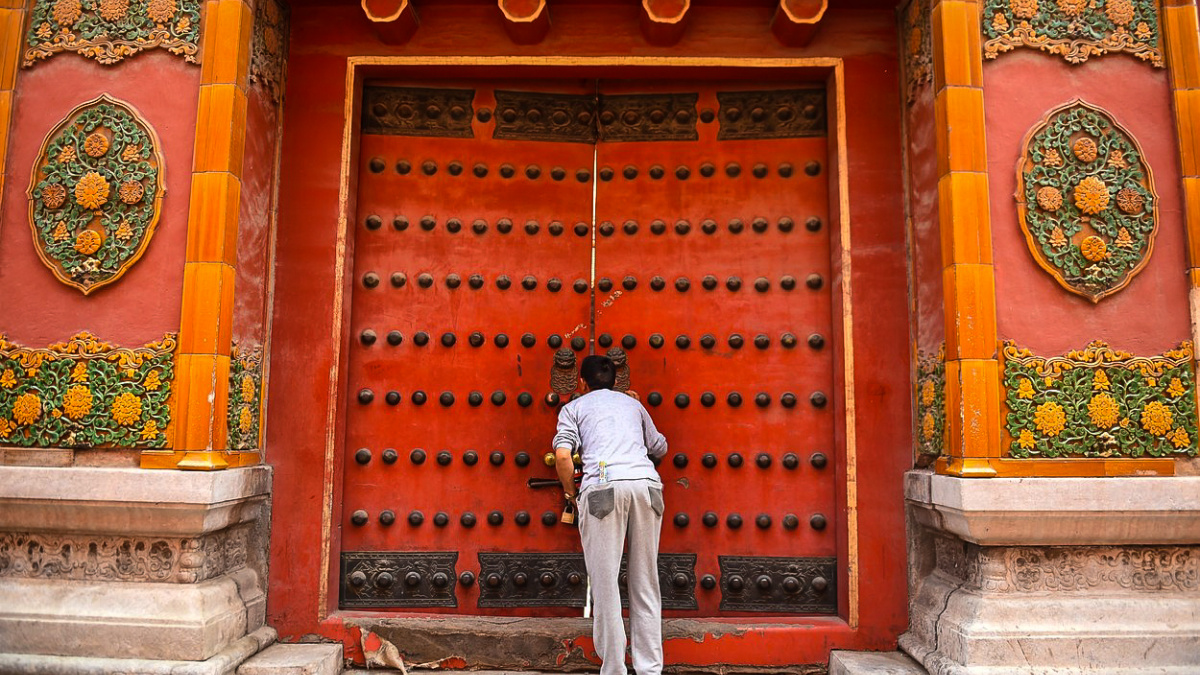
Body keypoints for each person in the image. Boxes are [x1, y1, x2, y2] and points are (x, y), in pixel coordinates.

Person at [552, 355, 668, 675]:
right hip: (646, 487)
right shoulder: (633, 405)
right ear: (616, 381)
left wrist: (570, 494)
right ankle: (649, 669)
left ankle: (614, 668)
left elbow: (562, 456)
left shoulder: (574, 408)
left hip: (603, 487)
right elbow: (659, 446)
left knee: (605, 584)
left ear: (582, 383)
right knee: (645, 583)